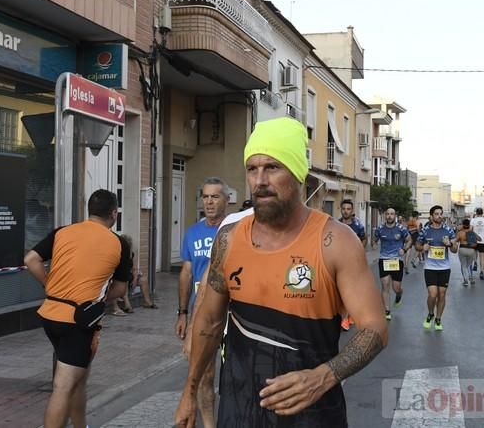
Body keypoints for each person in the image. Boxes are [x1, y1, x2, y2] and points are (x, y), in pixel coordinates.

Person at [174, 117, 387, 428]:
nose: (260, 180)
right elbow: (209, 320)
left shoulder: (336, 242)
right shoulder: (229, 239)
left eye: (272, 167)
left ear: (298, 174)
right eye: (252, 168)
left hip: (312, 415)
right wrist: (189, 392)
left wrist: (323, 376)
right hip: (239, 411)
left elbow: (375, 327)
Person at [24, 189, 131, 428]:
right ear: (114, 213)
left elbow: (31, 259)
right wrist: (98, 301)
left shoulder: (63, 232)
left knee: (78, 379)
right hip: (78, 321)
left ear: (89, 211)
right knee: (63, 387)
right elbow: (120, 289)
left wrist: (48, 284)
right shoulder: (119, 244)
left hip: (50, 314)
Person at [175, 177, 229, 428]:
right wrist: (183, 312)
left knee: (236, 373)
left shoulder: (235, 229)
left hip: (233, 315)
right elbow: (186, 273)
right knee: (203, 374)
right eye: (205, 196)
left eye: (215, 196)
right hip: (202, 314)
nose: (209, 201)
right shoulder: (193, 232)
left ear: (226, 200)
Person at [416, 205, 457, 331]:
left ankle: (438, 319)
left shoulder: (448, 230)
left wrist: (449, 244)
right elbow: (417, 245)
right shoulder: (426, 231)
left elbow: (455, 250)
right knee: (432, 294)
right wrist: (423, 248)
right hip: (430, 267)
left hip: (444, 268)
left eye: (441, 214)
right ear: (431, 216)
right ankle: (430, 313)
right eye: (437, 214)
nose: (439, 216)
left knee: (442, 294)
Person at [372, 207, 412, 320]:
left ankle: (399, 294)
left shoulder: (401, 229)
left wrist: (404, 249)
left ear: (395, 216)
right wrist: (374, 244)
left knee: (396, 287)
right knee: (385, 285)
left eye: (392, 214)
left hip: (396, 260)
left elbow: (409, 240)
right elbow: (374, 240)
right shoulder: (380, 229)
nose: (389, 216)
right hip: (384, 259)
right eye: (388, 214)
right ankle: (387, 310)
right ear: (385, 215)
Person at [338, 199, 367, 331]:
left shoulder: (358, 226)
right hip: (338, 261)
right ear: (341, 210)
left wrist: (359, 250)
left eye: (348, 209)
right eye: (344, 208)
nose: (346, 211)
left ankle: (346, 318)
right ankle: (346, 316)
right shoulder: (335, 224)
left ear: (352, 210)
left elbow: (364, 238)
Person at [456, 218, 479, 286]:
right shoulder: (472, 232)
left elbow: (456, 240)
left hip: (462, 249)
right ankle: (471, 278)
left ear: (463, 225)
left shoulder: (460, 233)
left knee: (463, 265)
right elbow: (479, 239)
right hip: (471, 250)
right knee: (469, 265)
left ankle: (465, 280)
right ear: (469, 225)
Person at [471, 208, 484, 280]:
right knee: (482, 256)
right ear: (482, 213)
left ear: (476, 213)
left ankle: (475, 262)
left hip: (474, 240)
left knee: (474, 252)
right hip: (483, 240)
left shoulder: (473, 220)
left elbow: (470, 230)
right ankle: (482, 271)